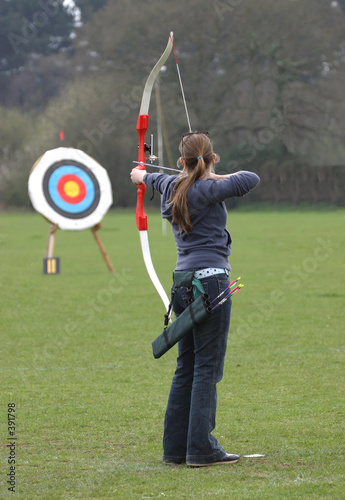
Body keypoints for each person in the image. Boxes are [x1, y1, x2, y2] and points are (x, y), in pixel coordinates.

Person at [130, 131, 260, 467]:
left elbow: (151, 177)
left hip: (183, 285)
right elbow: (251, 178)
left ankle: (175, 449)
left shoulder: (172, 186)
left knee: (186, 367)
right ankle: (201, 449)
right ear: (211, 159)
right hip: (212, 284)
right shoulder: (210, 187)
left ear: (181, 161)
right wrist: (212, 174)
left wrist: (143, 175)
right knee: (206, 369)